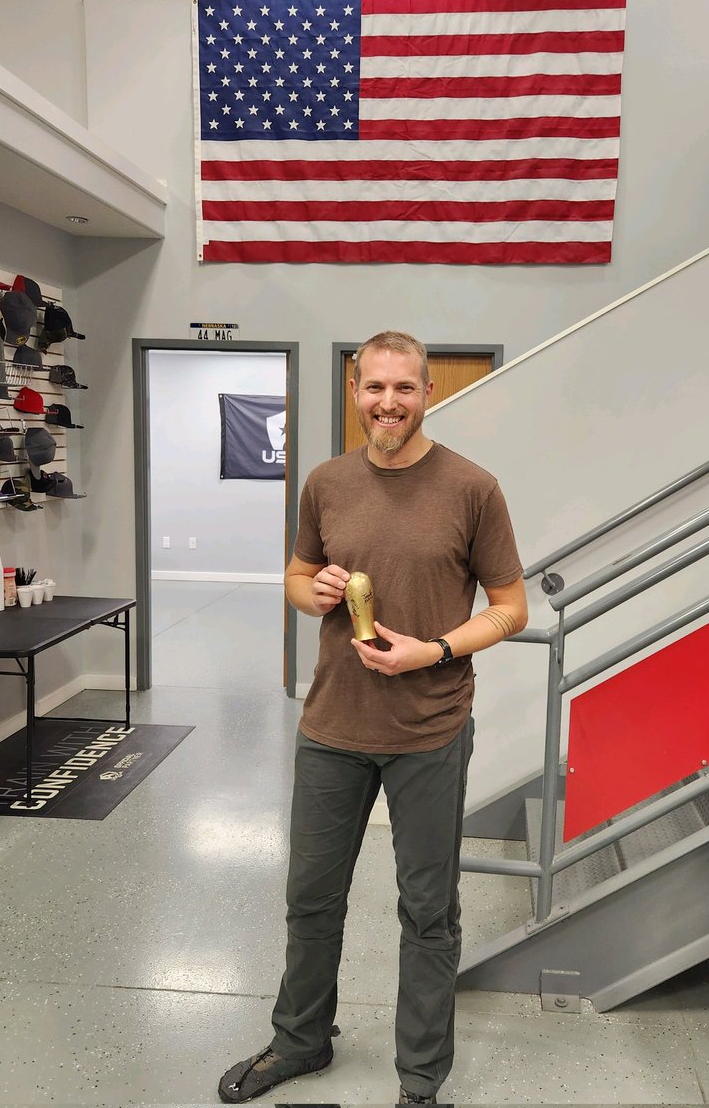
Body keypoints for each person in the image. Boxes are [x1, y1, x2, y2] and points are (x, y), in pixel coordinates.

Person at [218, 331, 527, 1105]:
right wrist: (310, 590)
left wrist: (436, 651)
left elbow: (513, 608)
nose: (388, 402)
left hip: (430, 730)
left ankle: (420, 1081)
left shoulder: (472, 488)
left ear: (429, 392)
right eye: (375, 388)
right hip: (332, 728)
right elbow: (294, 573)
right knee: (311, 897)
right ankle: (301, 1041)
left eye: (405, 388)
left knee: (428, 912)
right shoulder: (325, 482)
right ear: (355, 390)